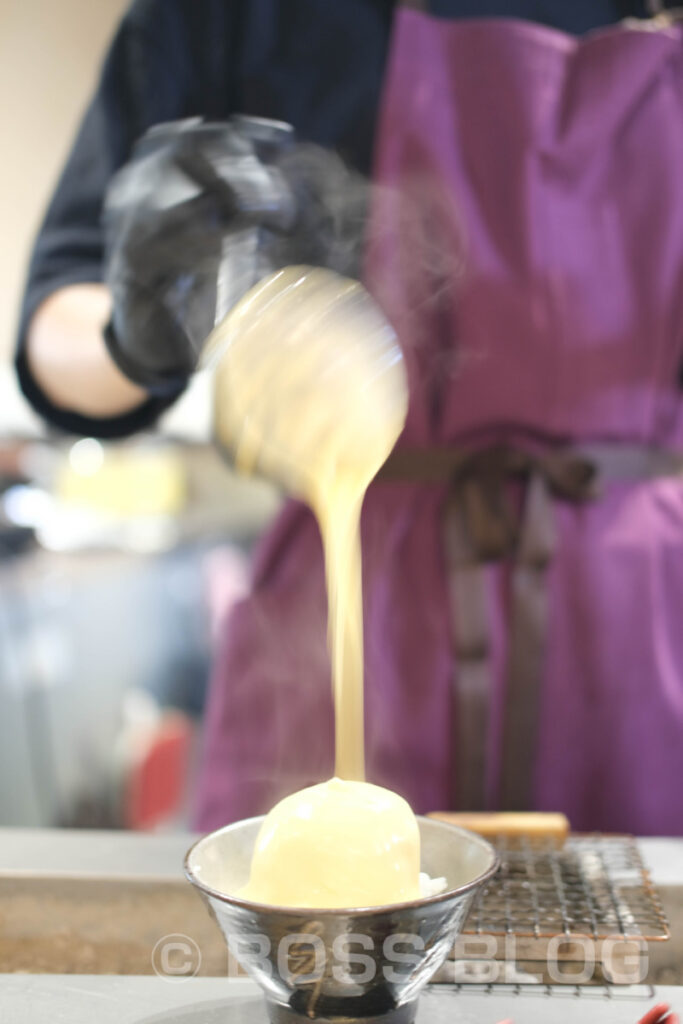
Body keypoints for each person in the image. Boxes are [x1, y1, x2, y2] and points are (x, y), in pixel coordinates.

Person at [17, 0, 683, 836]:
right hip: (350, 592)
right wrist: (134, 328)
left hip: (638, 618)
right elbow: (53, 337)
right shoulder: (225, 15)